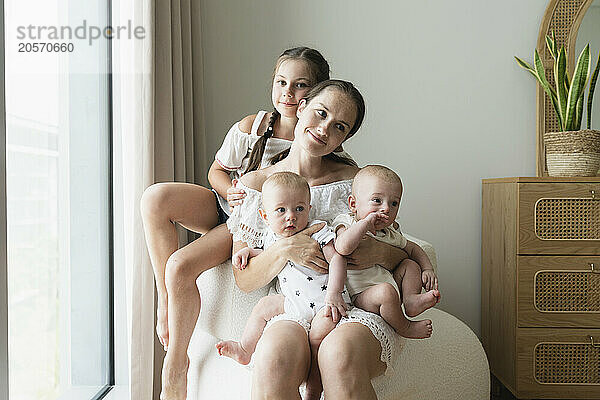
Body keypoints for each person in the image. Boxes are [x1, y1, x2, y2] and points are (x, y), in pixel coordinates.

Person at [140, 46, 331, 400]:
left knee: (180, 265)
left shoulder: (318, 143)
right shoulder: (254, 126)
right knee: (154, 198)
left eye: (300, 85)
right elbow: (217, 171)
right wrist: (231, 191)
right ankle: (165, 301)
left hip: (251, 223)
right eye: (281, 82)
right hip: (229, 203)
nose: (287, 94)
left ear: (317, 94)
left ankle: (175, 365)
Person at [228, 79, 417, 399]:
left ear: (343, 139)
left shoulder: (356, 181)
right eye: (320, 113)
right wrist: (286, 248)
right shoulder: (254, 186)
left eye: (339, 126)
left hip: (356, 305)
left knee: (338, 354)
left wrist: (378, 253)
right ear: (300, 108)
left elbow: (399, 246)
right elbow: (244, 280)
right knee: (274, 357)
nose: (324, 128)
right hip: (294, 305)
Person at [215, 171, 351, 367]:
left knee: (319, 337)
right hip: (294, 304)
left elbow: (338, 259)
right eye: (281, 210)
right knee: (264, 306)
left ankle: (313, 382)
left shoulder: (318, 230)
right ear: (265, 216)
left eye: (299, 208)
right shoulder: (272, 237)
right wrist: (247, 253)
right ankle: (245, 349)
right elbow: (267, 255)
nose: (291, 217)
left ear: (309, 209)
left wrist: (334, 293)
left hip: (325, 302)